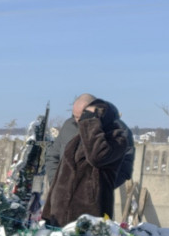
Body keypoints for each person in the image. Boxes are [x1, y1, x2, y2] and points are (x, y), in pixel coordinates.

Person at [41, 97, 133, 228]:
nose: (78, 121)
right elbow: (59, 164)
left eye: (83, 116)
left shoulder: (117, 138)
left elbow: (97, 156)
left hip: (87, 214)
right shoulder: (73, 133)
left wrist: (95, 189)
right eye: (76, 116)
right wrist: (57, 194)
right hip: (60, 211)